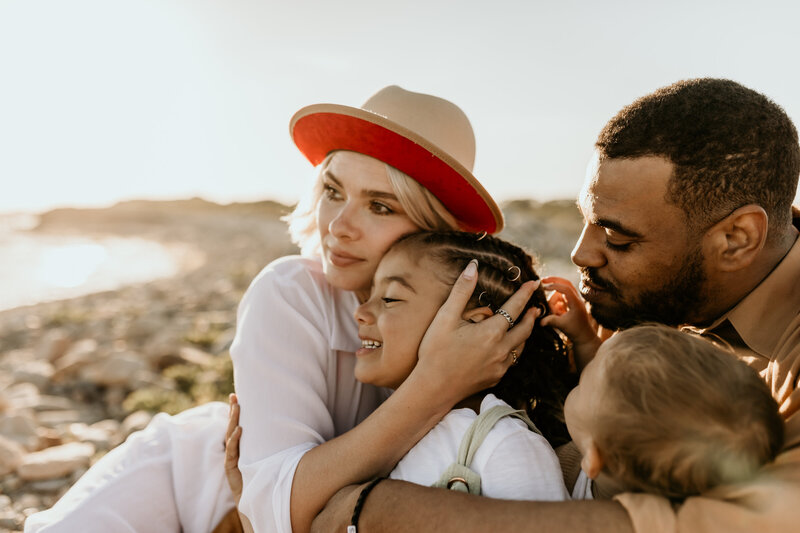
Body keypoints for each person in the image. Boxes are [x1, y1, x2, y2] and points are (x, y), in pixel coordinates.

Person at [25, 86, 536, 533]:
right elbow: (280, 517)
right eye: (333, 192)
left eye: (380, 206)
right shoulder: (292, 291)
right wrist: (436, 385)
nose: (338, 226)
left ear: (435, 230)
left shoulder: (481, 324)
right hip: (178, 495)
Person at [311, 78, 800, 533]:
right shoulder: (645, 306)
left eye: (616, 237)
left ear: (737, 239)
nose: (580, 254)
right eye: (586, 221)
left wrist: (375, 508)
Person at [227, 230, 576, 515]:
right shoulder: (389, 435)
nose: (360, 312)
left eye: (390, 299)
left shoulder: (505, 447)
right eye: (370, 294)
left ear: (477, 327)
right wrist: (253, 512)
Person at [563, 323, 784, 501]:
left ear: (593, 459)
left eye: (581, 385)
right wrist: (584, 341)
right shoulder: (622, 447)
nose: (580, 381)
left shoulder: (554, 485)